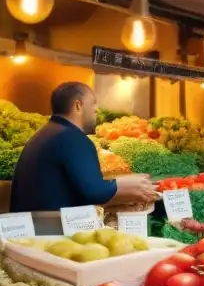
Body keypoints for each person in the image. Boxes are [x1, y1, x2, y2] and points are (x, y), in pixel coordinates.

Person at [10, 82, 160, 212]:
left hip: (30, 229)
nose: (97, 110)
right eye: (93, 103)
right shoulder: (72, 138)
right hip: (51, 233)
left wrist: (118, 190)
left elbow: (77, 192)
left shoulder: (44, 134)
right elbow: (93, 192)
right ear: (77, 106)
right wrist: (130, 184)